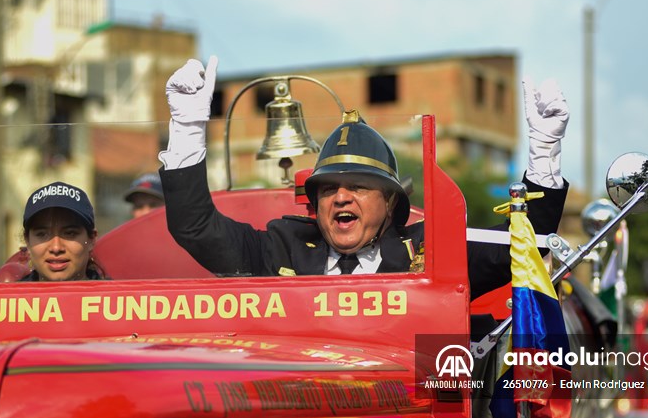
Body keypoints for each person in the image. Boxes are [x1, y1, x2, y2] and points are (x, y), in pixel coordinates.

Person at [157, 56, 568, 299]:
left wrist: (544, 152)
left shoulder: (431, 251)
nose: (340, 198)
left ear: (390, 204)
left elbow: (523, 245)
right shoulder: (279, 248)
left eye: (358, 187)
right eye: (329, 189)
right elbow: (195, 227)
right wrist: (188, 127)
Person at [19, 182, 107, 281]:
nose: (56, 248)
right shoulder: (3, 295)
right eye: (42, 234)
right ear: (27, 242)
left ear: (92, 239)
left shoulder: (118, 295)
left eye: (70, 233)